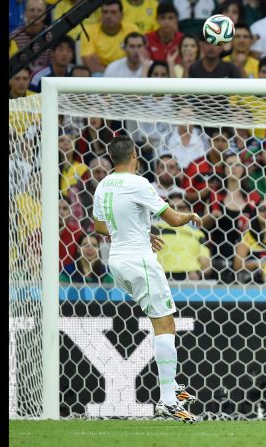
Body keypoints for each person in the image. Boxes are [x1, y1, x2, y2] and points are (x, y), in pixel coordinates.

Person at [92, 136, 202, 423]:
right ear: (134, 156)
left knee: (161, 321)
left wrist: (141, 233)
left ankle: (171, 387)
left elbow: (101, 226)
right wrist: (191, 214)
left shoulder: (103, 185)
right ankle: (167, 399)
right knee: (165, 324)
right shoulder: (139, 183)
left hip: (116, 262)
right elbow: (175, 220)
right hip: (140, 263)